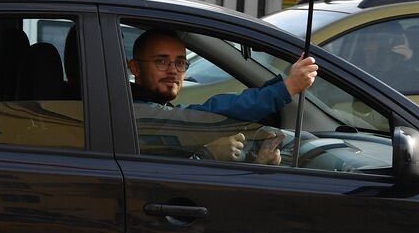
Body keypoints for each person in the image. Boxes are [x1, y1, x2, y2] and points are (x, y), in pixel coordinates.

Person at [128, 27, 317, 162]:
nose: (173, 71)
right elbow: (208, 114)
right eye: (161, 61)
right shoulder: (134, 111)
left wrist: (257, 162)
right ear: (135, 67)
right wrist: (287, 87)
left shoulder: (149, 108)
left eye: (180, 63)